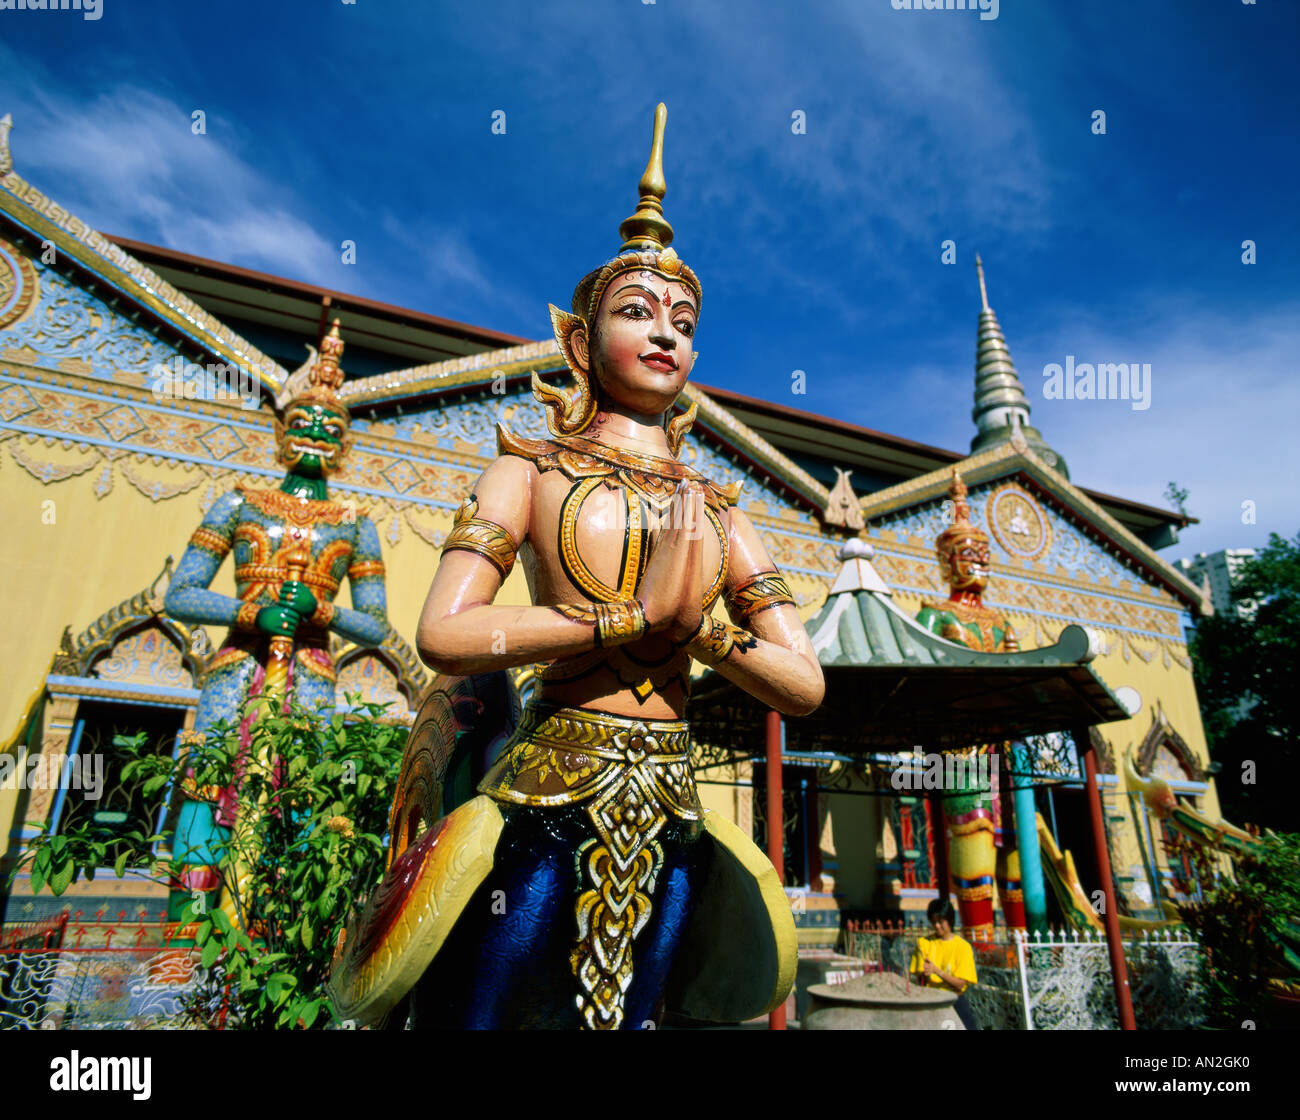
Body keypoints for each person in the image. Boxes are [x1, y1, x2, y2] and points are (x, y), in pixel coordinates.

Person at [328, 104, 825, 1029]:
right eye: (637, 311)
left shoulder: (721, 512)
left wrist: (706, 632)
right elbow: (445, 633)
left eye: (682, 319)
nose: (665, 332)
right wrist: (623, 617)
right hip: (544, 796)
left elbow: (802, 683)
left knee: (637, 1016)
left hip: (671, 812)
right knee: (490, 1007)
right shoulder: (529, 470)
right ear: (579, 342)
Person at [911, 898, 980, 1030]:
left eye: (941, 921)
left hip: (954, 1001)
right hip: (930, 1000)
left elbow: (960, 984)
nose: (937, 925)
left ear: (950, 921)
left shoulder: (962, 947)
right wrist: (924, 975)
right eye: (934, 921)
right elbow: (918, 979)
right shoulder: (923, 943)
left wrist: (937, 971)